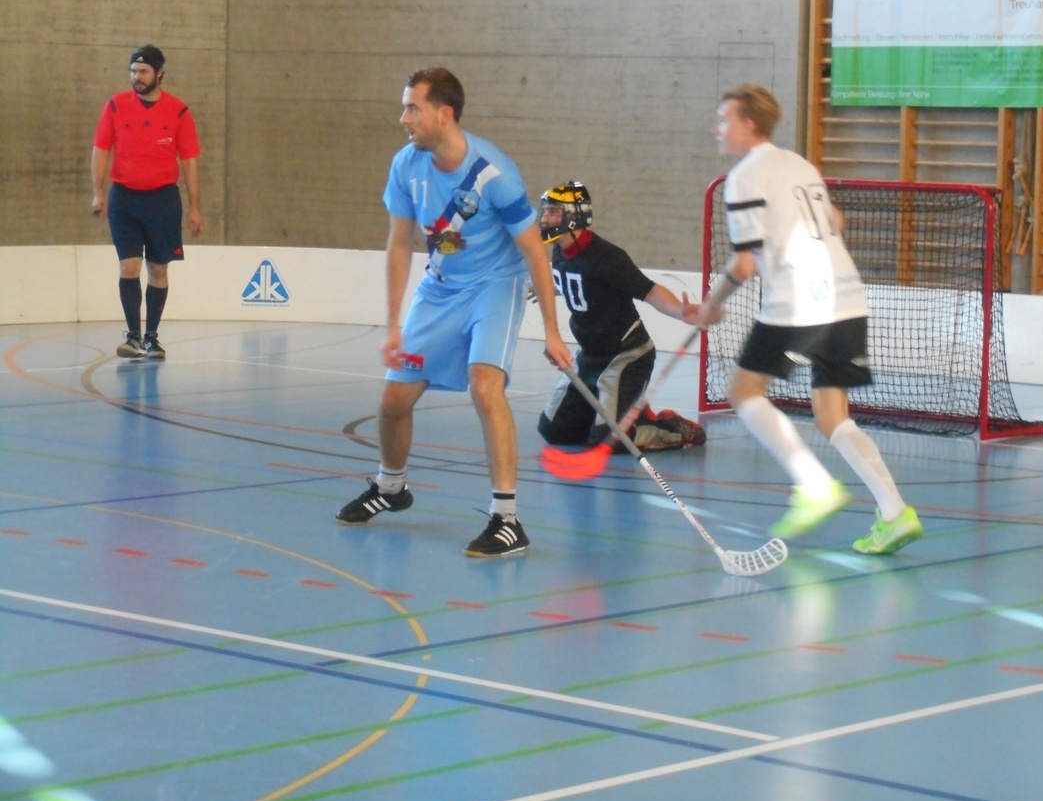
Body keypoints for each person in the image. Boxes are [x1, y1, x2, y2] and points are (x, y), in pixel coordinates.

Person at [335, 67, 571, 557]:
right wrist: (393, 324)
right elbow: (400, 243)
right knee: (393, 401)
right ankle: (391, 487)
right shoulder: (406, 165)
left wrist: (553, 331)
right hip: (440, 290)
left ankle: (507, 520)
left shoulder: (494, 174)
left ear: (444, 114)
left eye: (413, 108)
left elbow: (534, 252)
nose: (403, 118)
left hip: (495, 285)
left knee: (485, 387)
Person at [693, 84, 923, 555]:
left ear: (748, 124)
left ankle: (813, 484)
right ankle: (895, 513)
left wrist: (711, 305)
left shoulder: (744, 177)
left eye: (724, 119)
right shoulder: (799, 165)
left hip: (799, 299)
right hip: (847, 296)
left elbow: (744, 265)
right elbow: (836, 220)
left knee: (744, 392)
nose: (717, 129)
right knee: (832, 415)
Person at [536, 181, 706, 453]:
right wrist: (548, 287)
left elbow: (649, 290)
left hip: (626, 355)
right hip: (589, 356)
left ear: (575, 215)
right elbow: (579, 280)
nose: (546, 218)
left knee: (610, 440)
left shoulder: (607, 257)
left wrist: (680, 311)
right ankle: (621, 413)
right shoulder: (560, 250)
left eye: (553, 211)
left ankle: (669, 427)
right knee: (554, 430)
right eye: (545, 210)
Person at [90, 44, 203, 360]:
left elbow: (190, 162)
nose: (136, 77)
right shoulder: (116, 106)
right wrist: (98, 191)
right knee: (129, 265)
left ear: (159, 73)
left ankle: (152, 337)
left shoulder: (178, 111)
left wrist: (195, 206)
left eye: (143, 71)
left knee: (157, 269)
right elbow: (101, 150)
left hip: (162, 201)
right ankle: (133, 337)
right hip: (124, 199)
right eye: (133, 71)